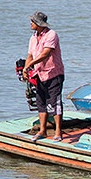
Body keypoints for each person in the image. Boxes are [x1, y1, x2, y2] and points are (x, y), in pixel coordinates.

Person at [25, 12, 65, 141]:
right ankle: (43, 131)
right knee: (41, 102)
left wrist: (30, 64)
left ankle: (58, 131)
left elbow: (45, 54)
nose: (31, 23)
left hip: (53, 73)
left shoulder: (51, 35)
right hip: (39, 75)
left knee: (55, 103)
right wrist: (26, 68)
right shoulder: (32, 38)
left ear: (39, 24)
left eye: (33, 21)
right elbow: (30, 55)